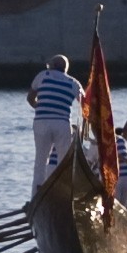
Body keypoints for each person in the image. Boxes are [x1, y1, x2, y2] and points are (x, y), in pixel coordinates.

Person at [27, 54, 84, 194]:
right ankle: (63, 192)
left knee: (40, 160)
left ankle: (36, 194)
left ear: (52, 65)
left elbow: (30, 98)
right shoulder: (73, 82)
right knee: (64, 161)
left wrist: (41, 109)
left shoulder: (43, 75)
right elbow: (85, 105)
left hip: (41, 122)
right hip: (62, 123)